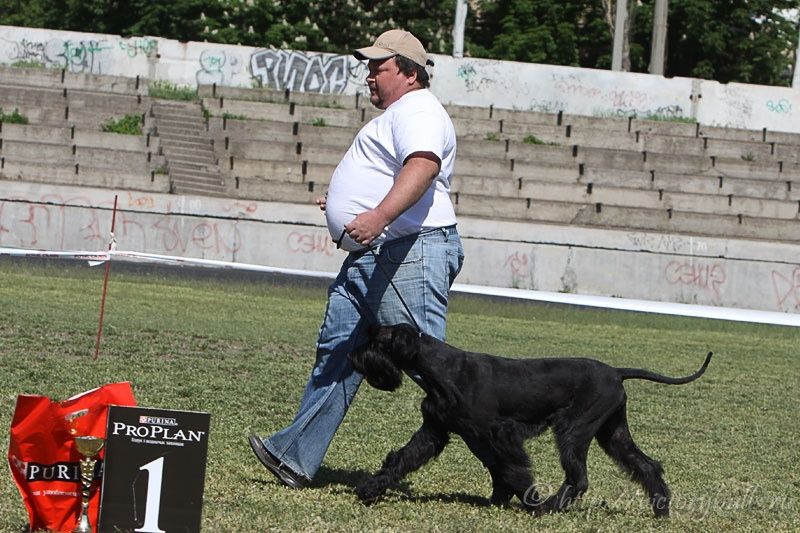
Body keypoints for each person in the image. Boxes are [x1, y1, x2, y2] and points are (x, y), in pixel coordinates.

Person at [249, 29, 464, 489]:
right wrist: (345, 203)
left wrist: (377, 214)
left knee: (441, 372)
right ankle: (294, 456)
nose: (368, 76)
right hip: (375, 255)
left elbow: (422, 166)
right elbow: (391, 170)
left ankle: (506, 458)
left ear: (408, 72)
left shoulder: (420, 109)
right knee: (339, 353)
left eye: (377, 67)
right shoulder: (400, 113)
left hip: (406, 251)